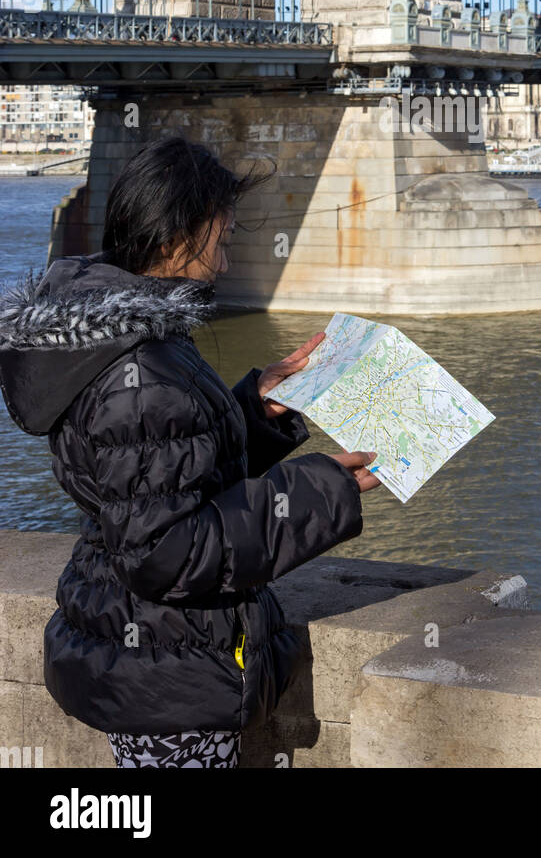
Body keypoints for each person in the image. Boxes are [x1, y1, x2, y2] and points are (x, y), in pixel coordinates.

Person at [0, 136, 380, 769]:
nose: (227, 261)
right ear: (180, 234)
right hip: (168, 670)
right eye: (223, 238)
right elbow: (169, 550)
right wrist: (318, 492)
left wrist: (254, 409)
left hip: (148, 647)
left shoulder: (128, 336)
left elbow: (165, 474)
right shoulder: (142, 369)